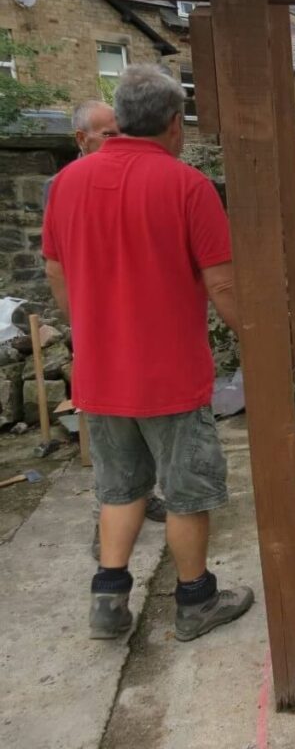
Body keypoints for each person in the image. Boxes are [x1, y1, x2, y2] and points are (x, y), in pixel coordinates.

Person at [42, 65, 253, 641]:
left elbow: (56, 269)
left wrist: (85, 328)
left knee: (120, 487)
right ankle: (195, 602)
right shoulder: (188, 186)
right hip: (171, 377)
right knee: (186, 493)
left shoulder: (67, 184)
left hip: (101, 373)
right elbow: (225, 286)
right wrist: (258, 346)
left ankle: (109, 599)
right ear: (172, 123)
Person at [44, 100, 168, 556]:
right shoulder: (62, 187)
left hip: (135, 327)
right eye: (107, 134)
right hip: (100, 330)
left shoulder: (126, 177)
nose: (118, 140)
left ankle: (145, 496)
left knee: (146, 421)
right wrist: (82, 325)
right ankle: (109, 522)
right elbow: (56, 267)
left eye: (120, 131)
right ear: (82, 139)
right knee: (112, 442)